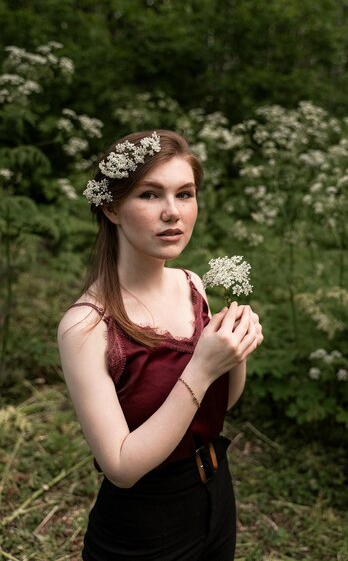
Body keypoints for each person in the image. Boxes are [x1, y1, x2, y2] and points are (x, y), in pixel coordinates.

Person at [58, 129, 263, 561]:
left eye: (184, 194)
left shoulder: (193, 285)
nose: (173, 213)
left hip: (215, 495)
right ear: (112, 207)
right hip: (143, 527)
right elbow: (122, 467)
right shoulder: (88, 324)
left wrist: (233, 351)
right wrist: (203, 367)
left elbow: (218, 406)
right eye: (150, 195)